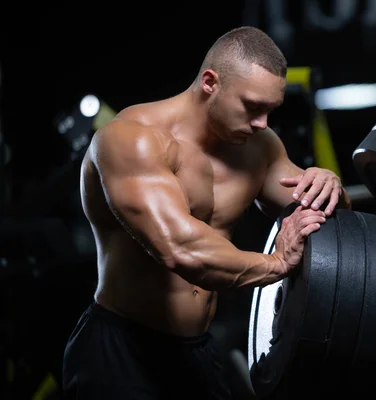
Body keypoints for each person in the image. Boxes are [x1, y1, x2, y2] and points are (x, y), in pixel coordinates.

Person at [61, 26, 351, 399]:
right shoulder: (132, 139)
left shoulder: (259, 147)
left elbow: (330, 219)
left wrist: (332, 186)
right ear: (210, 82)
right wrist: (277, 263)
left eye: (270, 110)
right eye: (252, 106)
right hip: (121, 348)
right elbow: (180, 250)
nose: (262, 122)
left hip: (196, 349)